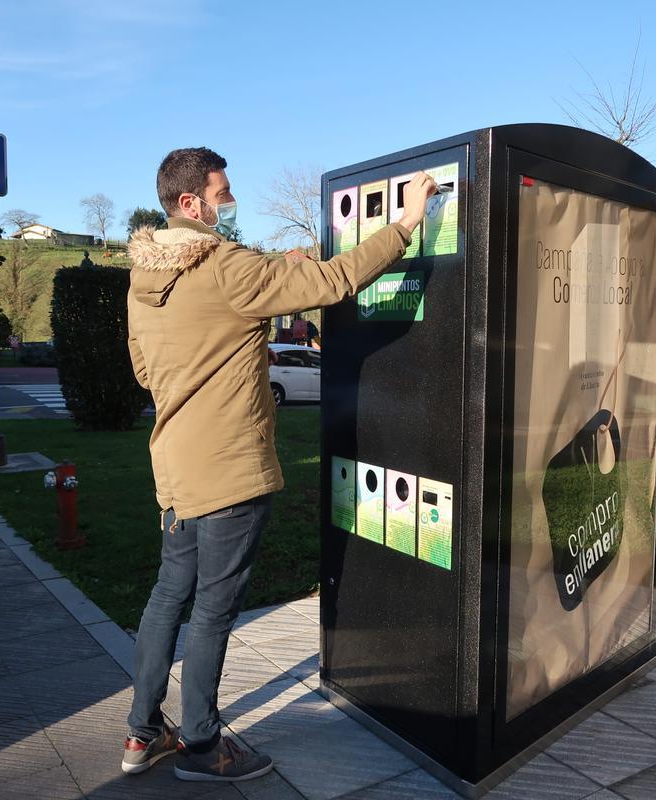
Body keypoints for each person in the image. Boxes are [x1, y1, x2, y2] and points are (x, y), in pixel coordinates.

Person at [121, 147, 435, 782]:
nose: (228, 202)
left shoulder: (145, 279)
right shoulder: (225, 265)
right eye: (222, 193)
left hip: (176, 469)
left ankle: (140, 736)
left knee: (167, 598)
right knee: (212, 609)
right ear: (191, 203)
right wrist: (403, 224)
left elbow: (145, 370)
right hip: (230, 466)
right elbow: (334, 283)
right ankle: (205, 749)